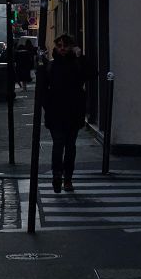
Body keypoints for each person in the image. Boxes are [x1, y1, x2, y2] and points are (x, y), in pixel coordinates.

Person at [41, 33, 94, 193]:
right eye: (59, 45)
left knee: (70, 147)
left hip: (73, 112)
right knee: (58, 145)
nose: (62, 48)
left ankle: (68, 179)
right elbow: (42, 90)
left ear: (71, 47)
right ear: (56, 47)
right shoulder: (50, 66)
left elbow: (92, 74)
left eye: (65, 45)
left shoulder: (77, 64)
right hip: (56, 113)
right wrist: (48, 107)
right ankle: (57, 175)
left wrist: (81, 57)